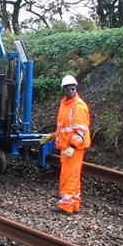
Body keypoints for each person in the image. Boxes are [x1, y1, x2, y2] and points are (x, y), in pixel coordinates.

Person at [51, 74, 91, 214]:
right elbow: (64, 126)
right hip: (66, 147)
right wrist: (55, 136)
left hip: (73, 149)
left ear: (76, 89)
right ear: (64, 90)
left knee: (68, 177)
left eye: (73, 89)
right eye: (68, 89)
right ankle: (74, 204)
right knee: (72, 176)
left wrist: (72, 147)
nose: (71, 91)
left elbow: (80, 130)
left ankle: (66, 206)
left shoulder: (78, 106)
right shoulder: (64, 105)